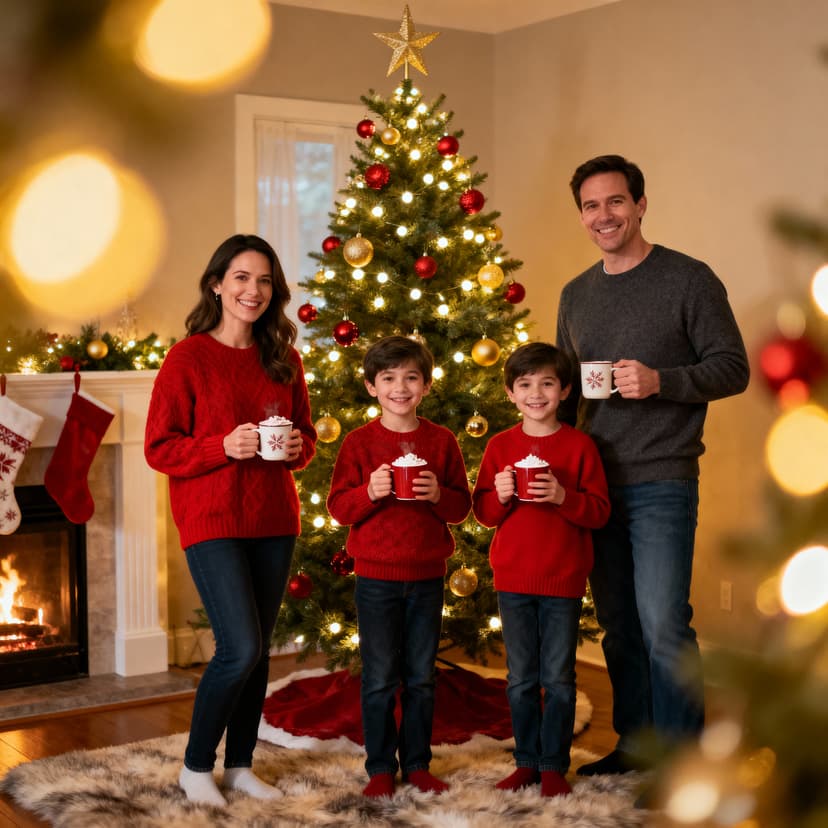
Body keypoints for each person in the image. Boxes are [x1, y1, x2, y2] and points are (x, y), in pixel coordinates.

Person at [556, 155, 750, 775]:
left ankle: (685, 765)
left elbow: (733, 367)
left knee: (664, 622)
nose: (603, 216)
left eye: (615, 202)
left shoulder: (690, 280)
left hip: (663, 477)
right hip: (594, 485)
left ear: (641, 205)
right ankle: (635, 747)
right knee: (617, 625)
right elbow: (563, 388)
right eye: (591, 206)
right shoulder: (576, 294)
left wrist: (659, 380)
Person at [145, 234, 317, 806]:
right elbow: (159, 448)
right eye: (241, 277)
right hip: (211, 517)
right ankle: (196, 767)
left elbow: (307, 438)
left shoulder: (283, 358)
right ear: (217, 283)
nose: (254, 290)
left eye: (264, 280)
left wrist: (295, 446)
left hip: (274, 516)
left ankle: (240, 766)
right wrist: (224, 446)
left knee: (261, 649)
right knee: (238, 647)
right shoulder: (187, 357)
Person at [327, 335, 471, 799]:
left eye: (411, 377)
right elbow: (339, 508)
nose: (400, 387)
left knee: (421, 676)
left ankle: (417, 763)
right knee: (380, 676)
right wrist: (369, 491)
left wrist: (437, 496)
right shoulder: (359, 443)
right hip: (375, 578)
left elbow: (461, 506)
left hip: (427, 576)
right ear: (372, 386)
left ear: (426, 385)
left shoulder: (441, 440)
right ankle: (379, 767)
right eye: (388, 378)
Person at [472, 342, 610, 797]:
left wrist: (562, 497)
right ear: (511, 393)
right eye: (525, 385)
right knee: (521, 679)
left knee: (559, 678)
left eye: (547, 383)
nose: (536, 393)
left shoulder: (580, 447)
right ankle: (526, 761)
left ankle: (554, 764)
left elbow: (599, 512)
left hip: (563, 580)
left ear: (565, 390)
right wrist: (502, 493)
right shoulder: (500, 447)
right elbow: (485, 513)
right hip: (513, 579)